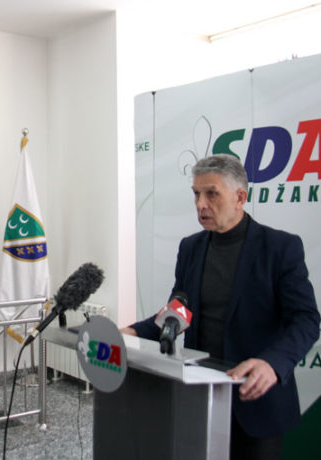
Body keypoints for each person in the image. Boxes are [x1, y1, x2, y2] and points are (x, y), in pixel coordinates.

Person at [122, 154, 320, 460]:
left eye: (211, 193)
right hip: (202, 397)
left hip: (256, 402)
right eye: (196, 194)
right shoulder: (190, 248)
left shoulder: (280, 247)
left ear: (240, 197)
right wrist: (132, 332)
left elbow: (306, 319)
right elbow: (179, 311)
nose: (201, 204)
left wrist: (272, 364)